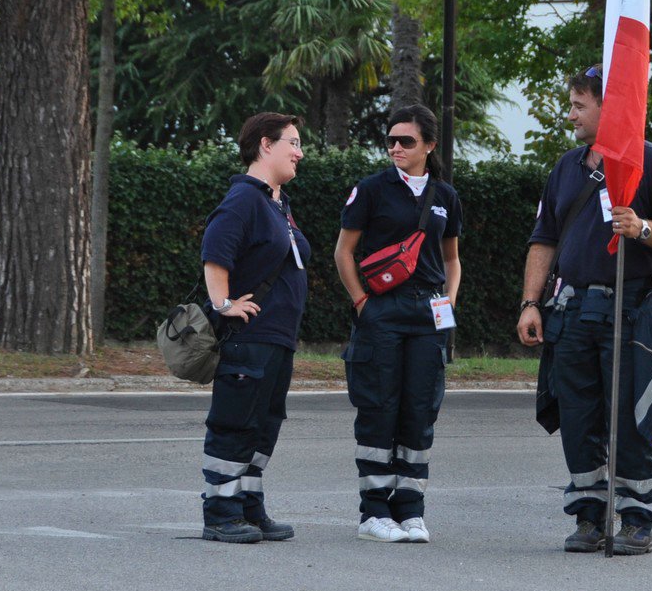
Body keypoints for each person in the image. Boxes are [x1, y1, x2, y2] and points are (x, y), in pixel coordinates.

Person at [516, 66, 652, 555]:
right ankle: (589, 516)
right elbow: (544, 238)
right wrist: (532, 303)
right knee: (578, 417)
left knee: (631, 417)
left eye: (579, 105)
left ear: (608, 108)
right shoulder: (566, 168)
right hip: (571, 312)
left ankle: (638, 518)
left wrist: (640, 228)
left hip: (630, 310)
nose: (570, 113)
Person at [334, 104, 463, 543]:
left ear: (429, 145)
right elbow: (343, 252)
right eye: (390, 140)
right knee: (379, 407)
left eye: (406, 141)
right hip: (382, 311)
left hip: (428, 313)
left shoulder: (446, 196)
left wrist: (448, 301)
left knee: (420, 409)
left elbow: (452, 259)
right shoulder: (371, 189)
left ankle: (410, 510)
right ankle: (373, 513)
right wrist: (362, 304)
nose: (396, 147)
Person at [198, 112, 310, 544]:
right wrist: (224, 304)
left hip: (277, 339)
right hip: (249, 339)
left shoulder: (276, 202)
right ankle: (220, 513)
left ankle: (248, 505)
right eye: (293, 143)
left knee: (265, 423)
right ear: (266, 145)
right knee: (236, 422)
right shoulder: (244, 198)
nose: (299, 153)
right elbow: (216, 250)